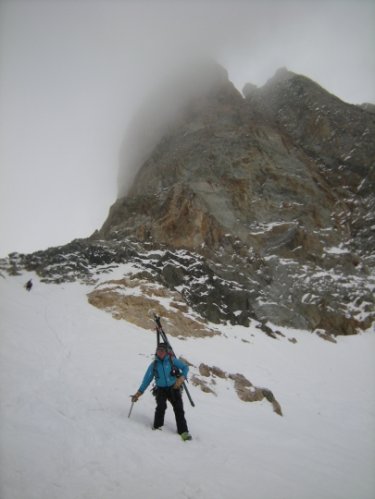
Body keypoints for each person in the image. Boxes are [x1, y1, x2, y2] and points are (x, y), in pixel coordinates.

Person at [131, 343, 192, 441]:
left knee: (179, 409)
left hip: (174, 387)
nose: (160, 353)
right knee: (160, 407)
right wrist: (139, 393)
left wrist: (182, 377)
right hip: (161, 389)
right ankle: (157, 426)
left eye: (162, 350)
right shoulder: (154, 365)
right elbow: (147, 380)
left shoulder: (172, 360)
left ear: (166, 351)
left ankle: (183, 432)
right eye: (158, 350)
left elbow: (185, 367)